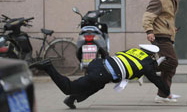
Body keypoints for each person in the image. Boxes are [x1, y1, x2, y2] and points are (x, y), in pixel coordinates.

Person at [30, 44, 171, 109]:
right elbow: (156, 80)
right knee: (69, 87)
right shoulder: (147, 65)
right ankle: (48, 66)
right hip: (101, 74)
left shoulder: (133, 50)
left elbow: (126, 63)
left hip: (98, 64)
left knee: (97, 86)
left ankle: (72, 100)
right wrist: (167, 91)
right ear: (152, 56)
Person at [142, 0, 180, 103]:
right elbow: (147, 16)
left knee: (170, 68)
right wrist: (149, 31)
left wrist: (171, 28)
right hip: (159, 35)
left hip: (166, 34)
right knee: (172, 62)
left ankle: (163, 94)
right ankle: (143, 69)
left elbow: (165, 18)